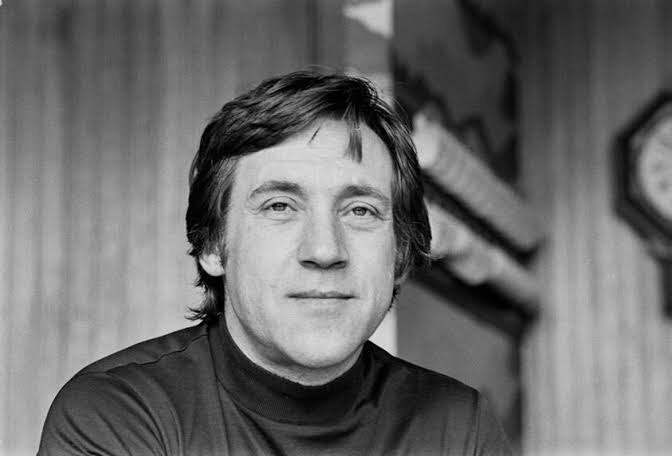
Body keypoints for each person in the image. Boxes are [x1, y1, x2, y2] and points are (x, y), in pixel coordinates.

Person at [38, 70, 512, 455]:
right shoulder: (120, 413)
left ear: (401, 256)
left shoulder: (459, 428)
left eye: (360, 211)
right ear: (213, 245)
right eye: (280, 206)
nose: (324, 250)